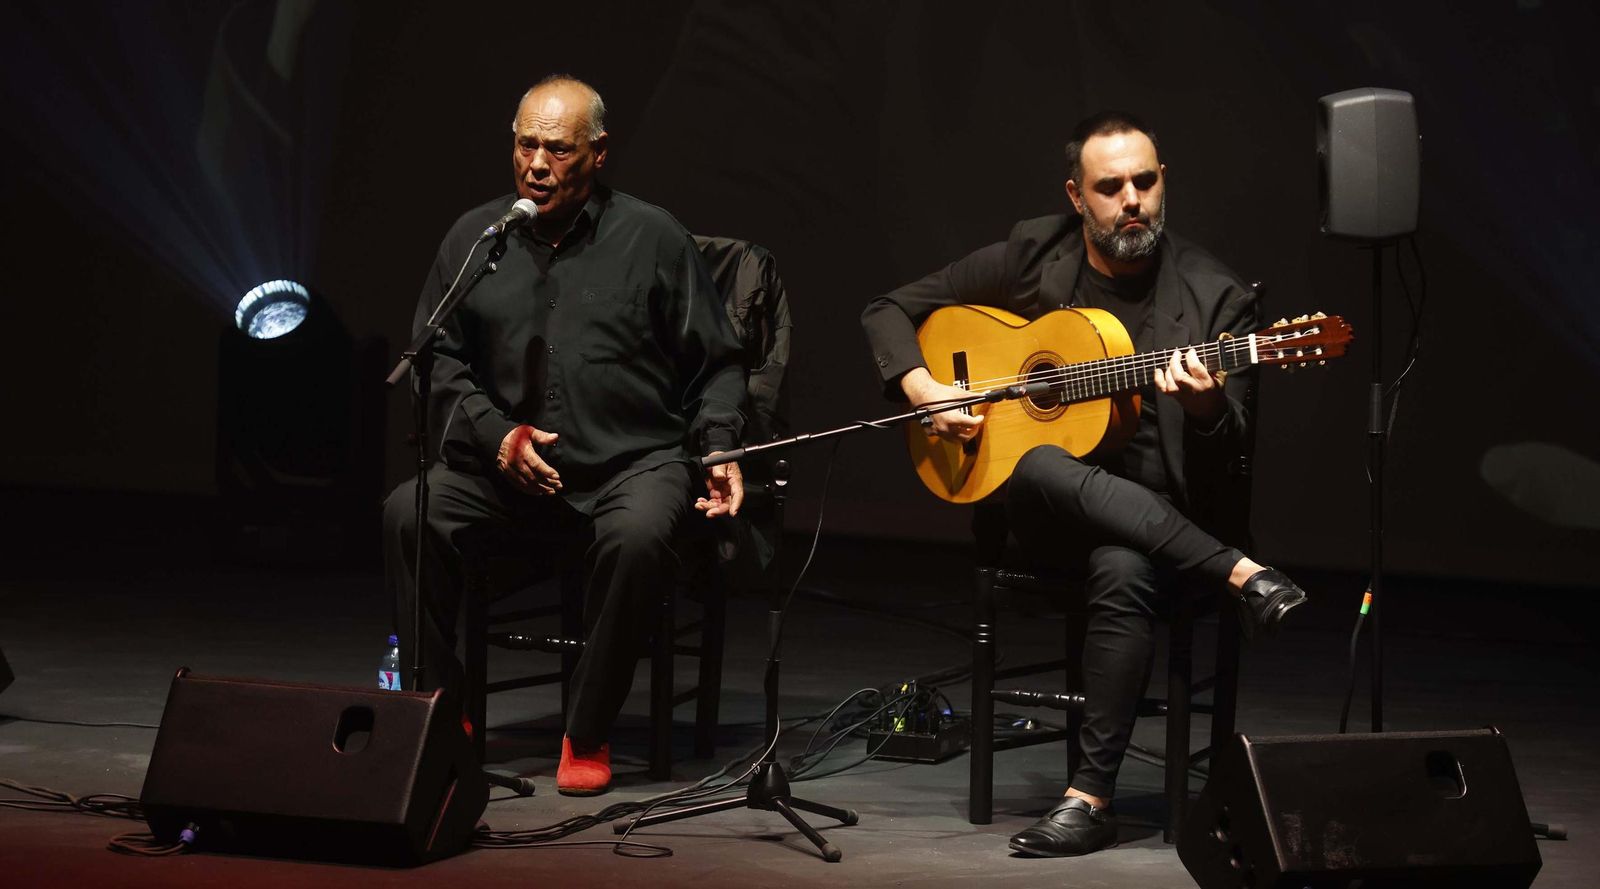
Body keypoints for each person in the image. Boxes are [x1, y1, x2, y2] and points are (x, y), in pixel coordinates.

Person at [860, 111, 1308, 857]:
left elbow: (1231, 460)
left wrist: (1204, 410)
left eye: (1145, 181)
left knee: (1123, 564)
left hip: (1164, 528)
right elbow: (888, 310)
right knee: (1038, 462)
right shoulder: (1035, 254)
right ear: (1076, 196)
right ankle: (1241, 573)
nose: (1132, 199)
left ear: (1163, 182)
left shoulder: (1217, 298)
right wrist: (924, 388)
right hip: (1045, 520)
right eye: (1110, 186)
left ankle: (1087, 800)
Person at [383, 75, 746, 796]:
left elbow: (719, 362)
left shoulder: (653, 237)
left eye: (557, 149)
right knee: (408, 512)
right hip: (509, 469)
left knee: (638, 536)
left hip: (628, 463)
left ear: (598, 153)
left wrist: (720, 446)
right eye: (526, 145)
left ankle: (587, 726)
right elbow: (438, 360)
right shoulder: (477, 241)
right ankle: (441, 711)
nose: (537, 165)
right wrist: (498, 437)